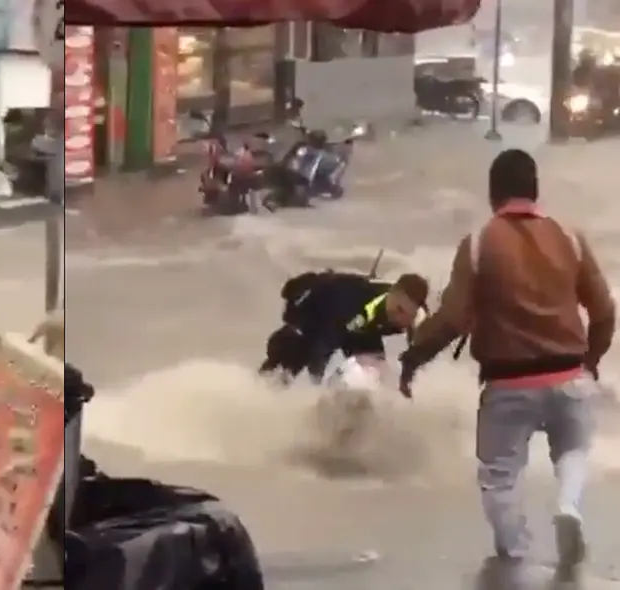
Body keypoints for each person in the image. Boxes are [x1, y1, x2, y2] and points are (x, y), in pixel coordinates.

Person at [399, 149, 616, 579]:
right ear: (535, 189)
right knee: (573, 448)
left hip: (509, 383)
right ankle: (568, 505)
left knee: (500, 478)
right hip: (569, 373)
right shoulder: (570, 237)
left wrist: (414, 356)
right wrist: (590, 361)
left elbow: (453, 319)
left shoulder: (479, 244)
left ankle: (516, 561)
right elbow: (605, 310)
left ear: (493, 193)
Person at [260, 270, 430, 385]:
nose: (403, 319)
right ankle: (261, 390)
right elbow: (323, 349)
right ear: (391, 295)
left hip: (361, 326)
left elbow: (422, 351)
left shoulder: (419, 316)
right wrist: (314, 390)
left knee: (375, 372)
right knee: (290, 360)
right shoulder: (359, 311)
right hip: (314, 309)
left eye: (410, 315)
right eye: (399, 310)